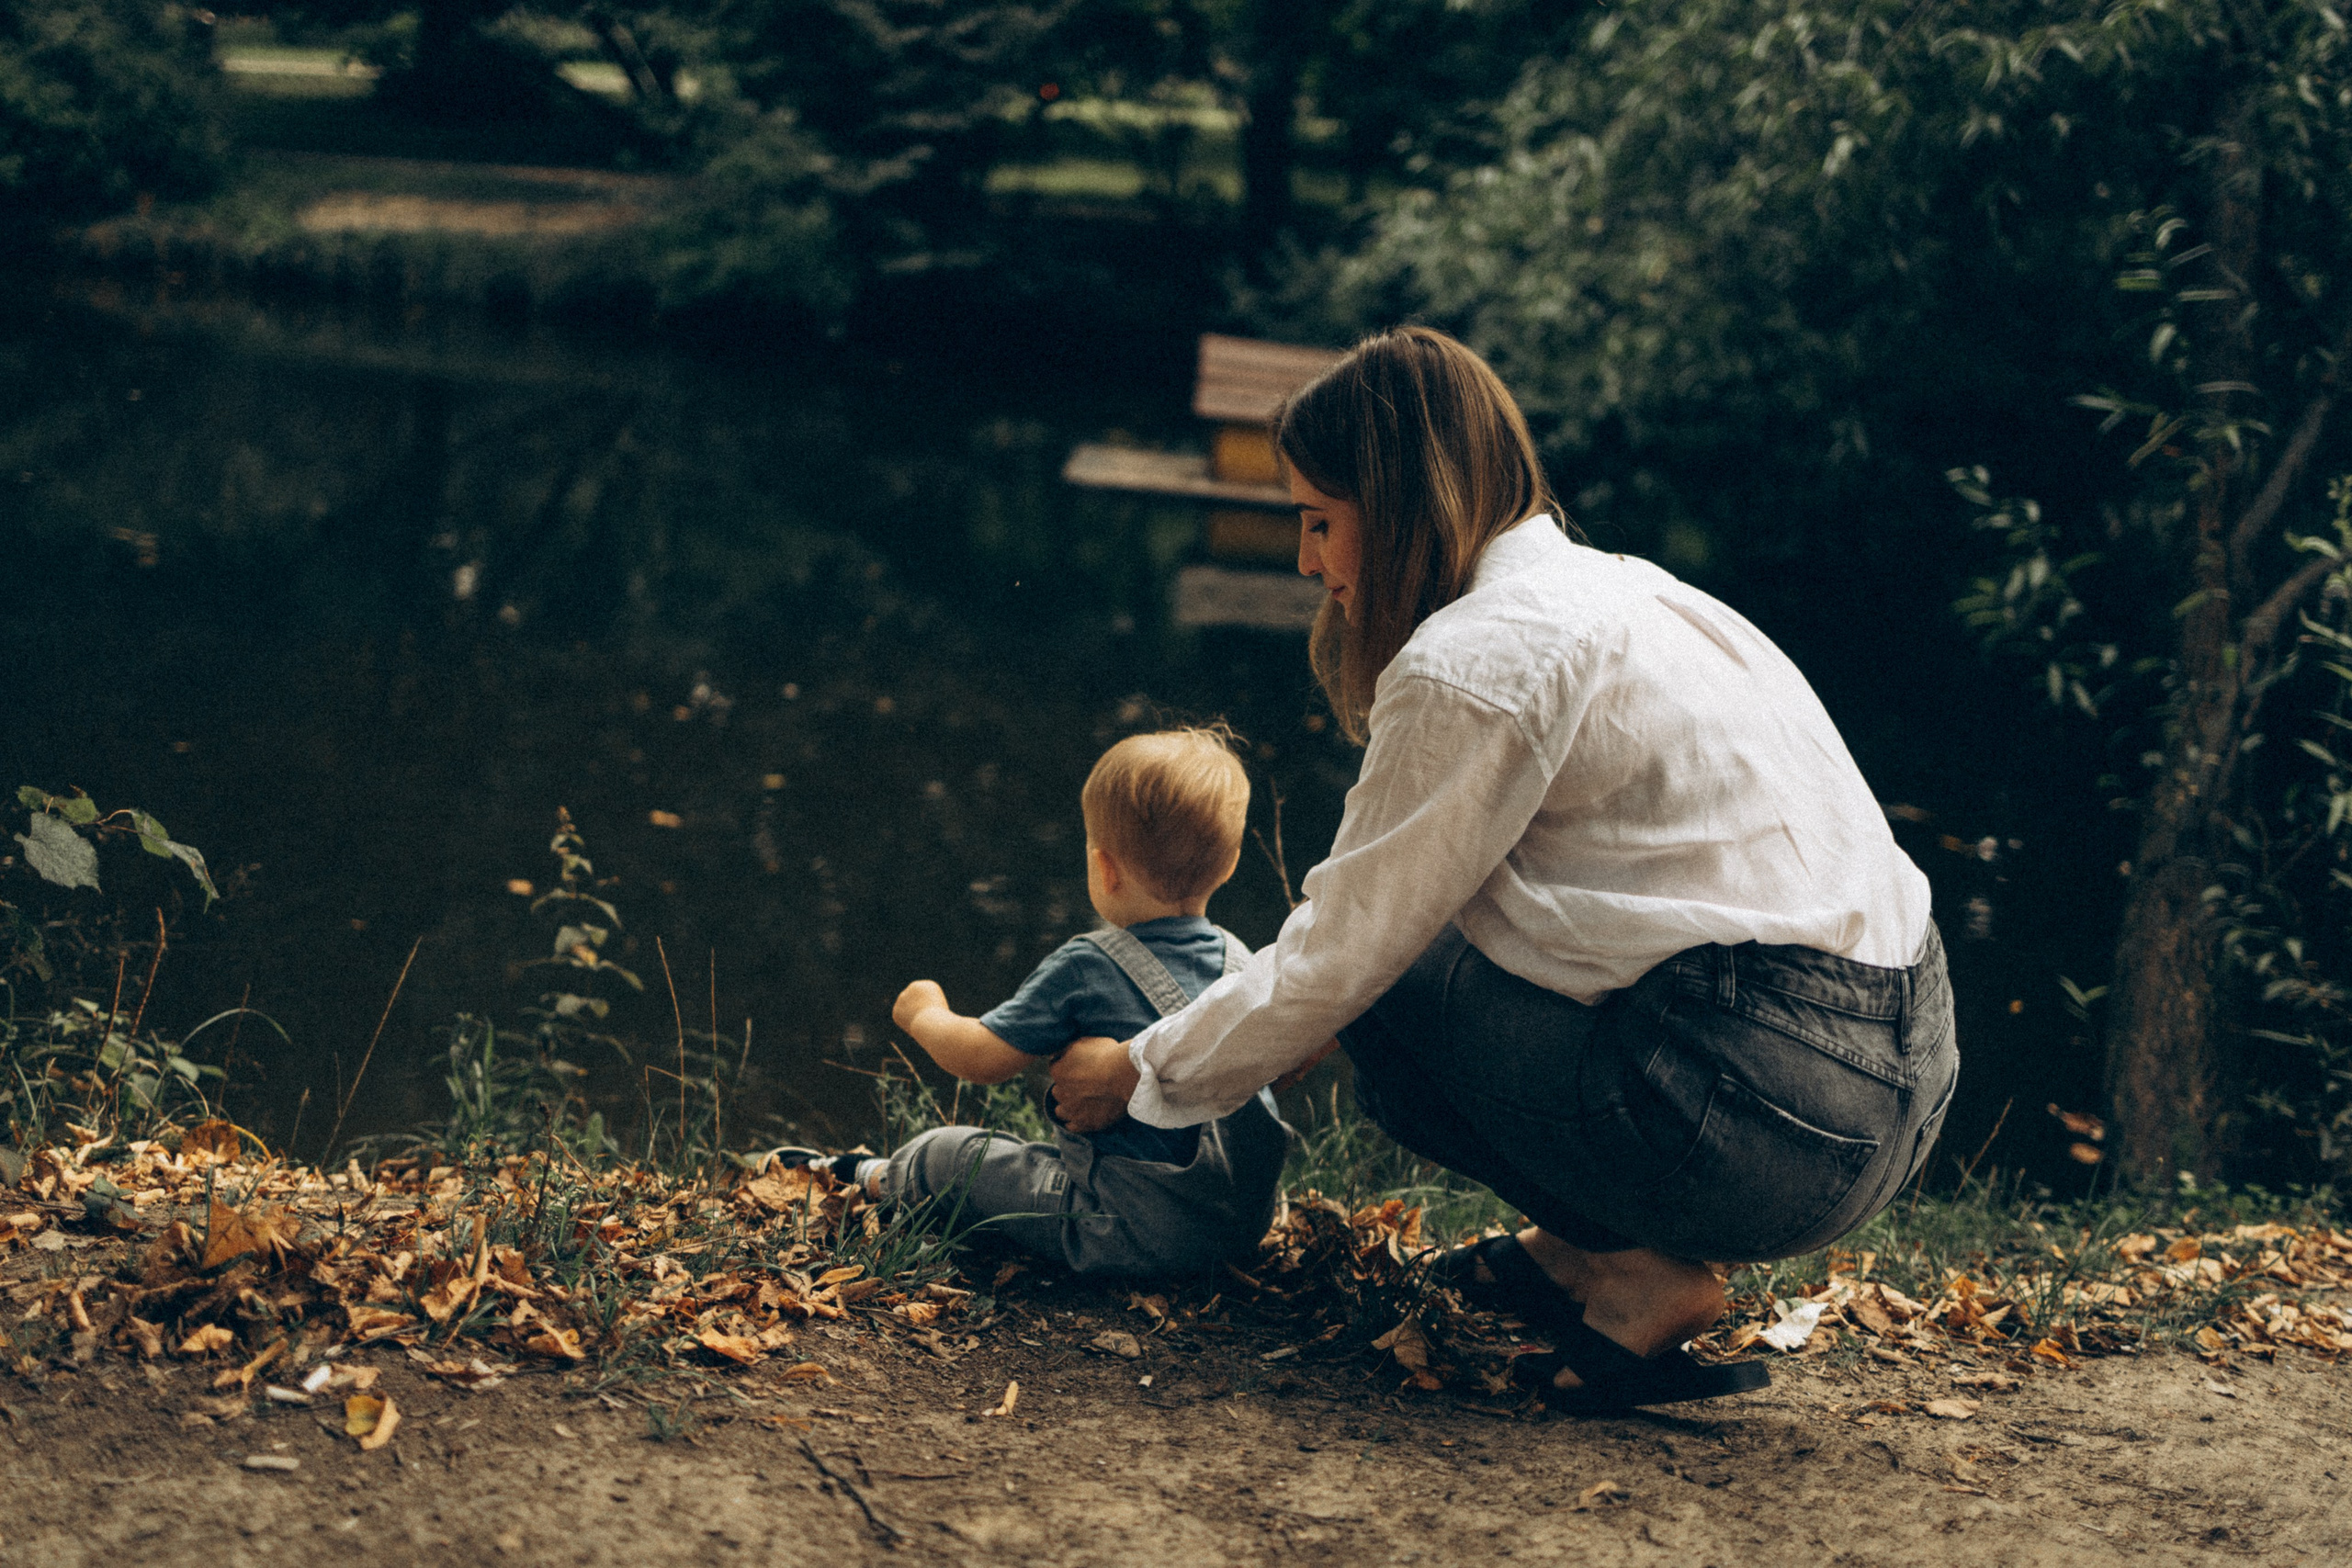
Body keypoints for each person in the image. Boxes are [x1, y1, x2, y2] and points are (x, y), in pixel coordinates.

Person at [1050, 326, 1958, 1412]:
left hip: (1770, 1118)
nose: (1307, 562)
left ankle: (1635, 1280)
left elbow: (1345, 950)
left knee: (1380, 982)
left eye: (1320, 522)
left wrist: (1146, 1075)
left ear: (1394, 509)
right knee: (1400, 950)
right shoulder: (1641, 594)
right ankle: (1575, 1254)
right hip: (1906, 1080)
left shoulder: (1473, 657)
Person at [868, 727, 1288, 1276]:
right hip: (1238, 1227)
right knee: (1033, 1163)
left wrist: (926, 1015)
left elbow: (983, 1059)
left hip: (1125, 1228)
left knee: (949, 1155)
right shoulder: (1247, 963)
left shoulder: (1087, 965)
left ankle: (873, 1176)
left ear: (1105, 867)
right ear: (1229, 864)